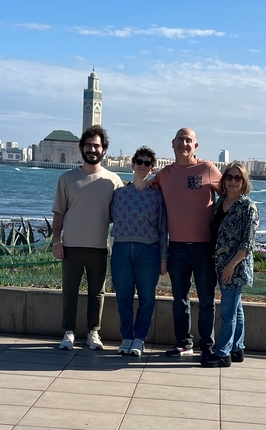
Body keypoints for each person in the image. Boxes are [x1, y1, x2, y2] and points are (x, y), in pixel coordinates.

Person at [52, 125, 123, 350]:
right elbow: (58, 213)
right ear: (81, 148)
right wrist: (56, 241)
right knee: (69, 291)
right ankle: (69, 332)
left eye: (97, 145)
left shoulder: (113, 180)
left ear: (104, 149)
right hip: (71, 246)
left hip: (99, 247)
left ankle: (94, 332)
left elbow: (125, 209)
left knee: (97, 293)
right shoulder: (67, 178)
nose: (92, 149)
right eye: (89, 145)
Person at [154, 128, 222, 361]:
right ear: (172, 144)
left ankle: (207, 346)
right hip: (177, 248)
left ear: (196, 146)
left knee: (206, 300)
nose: (184, 143)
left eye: (188, 140)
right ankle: (184, 344)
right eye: (180, 140)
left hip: (204, 247)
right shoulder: (164, 175)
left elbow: (232, 193)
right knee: (179, 299)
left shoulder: (208, 169)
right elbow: (143, 190)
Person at [110, 146, 168, 356]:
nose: (143, 166)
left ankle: (139, 339)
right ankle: (126, 337)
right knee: (123, 297)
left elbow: (163, 229)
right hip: (121, 249)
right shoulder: (118, 194)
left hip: (148, 251)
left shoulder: (156, 197)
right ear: (132, 165)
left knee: (147, 298)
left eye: (147, 163)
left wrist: (163, 259)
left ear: (151, 169)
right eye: (140, 162)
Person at [202, 162, 259, 367]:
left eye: (238, 178)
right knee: (236, 308)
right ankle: (237, 348)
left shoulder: (248, 208)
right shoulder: (220, 203)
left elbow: (247, 242)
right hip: (220, 263)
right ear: (224, 180)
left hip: (236, 267)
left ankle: (222, 354)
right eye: (230, 177)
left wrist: (231, 265)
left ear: (244, 182)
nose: (233, 181)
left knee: (227, 311)